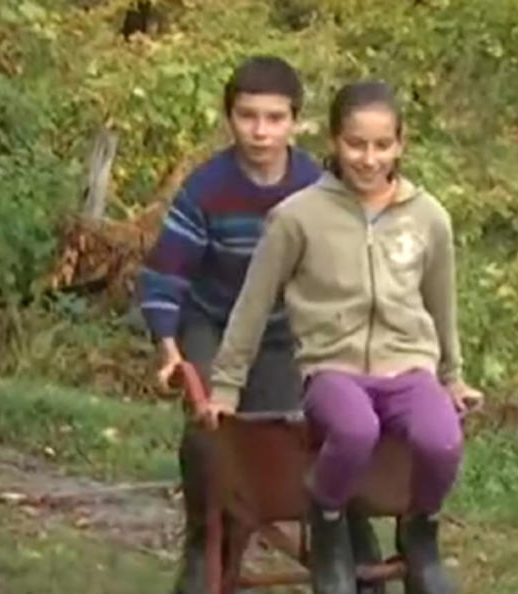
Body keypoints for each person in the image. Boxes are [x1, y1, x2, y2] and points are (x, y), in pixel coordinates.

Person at [205, 80, 484, 594]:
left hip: (408, 368)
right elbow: (253, 304)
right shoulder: (298, 217)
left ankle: (420, 532)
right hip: (333, 369)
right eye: (356, 144)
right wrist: (225, 386)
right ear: (335, 140)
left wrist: (452, 377)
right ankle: (328, 522)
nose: (369, 159)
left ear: (400, 144)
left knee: (442, 441)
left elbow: (441, 304)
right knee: (355, 431)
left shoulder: (428, 218)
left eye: (382, 145)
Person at [137, 57, 384, 594]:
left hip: (284, 331)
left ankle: (340, 546)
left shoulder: (318, 188)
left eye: (274, 118)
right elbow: (166, 274)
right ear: (230, 118)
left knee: (296, 434)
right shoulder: (207, 189)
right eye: (248, 116)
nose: (260, 131)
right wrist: (169, 346)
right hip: (215, 321)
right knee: (212, 432)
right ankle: (206, 546)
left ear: (295, 121)